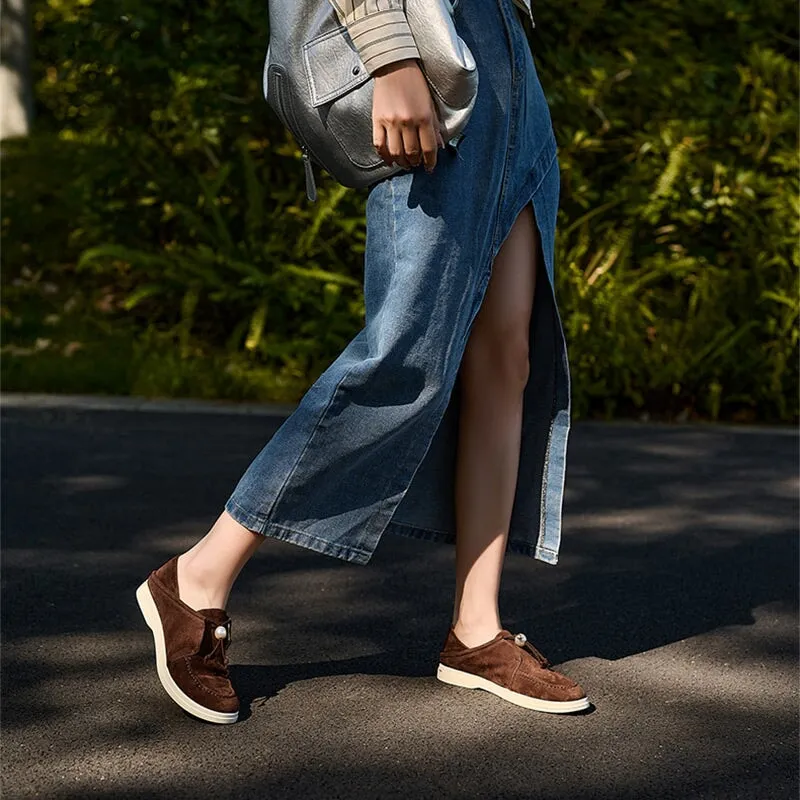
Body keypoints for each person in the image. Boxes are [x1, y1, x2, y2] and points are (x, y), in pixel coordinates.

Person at [136, 0, 590, 725]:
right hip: (427, 49)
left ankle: (476, 630)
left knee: (508, 354)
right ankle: (196, 577)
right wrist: (390, 55)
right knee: (405, 354)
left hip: (509, 64)